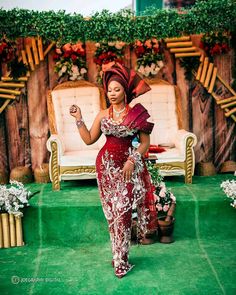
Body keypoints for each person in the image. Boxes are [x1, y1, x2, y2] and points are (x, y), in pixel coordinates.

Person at [69, 63, 157, 278]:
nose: (112, 94)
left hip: (127, 169)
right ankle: (118, 254)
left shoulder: (137, 115)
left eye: (117, 90)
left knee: (124, 213)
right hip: (105, 168)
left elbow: (145, 143)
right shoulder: (102, 115)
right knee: (112, 216)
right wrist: (78, 118)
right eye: (109, 90)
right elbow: (89, 139)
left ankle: (122, 259)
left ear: (125, 91)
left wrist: (132, 159)